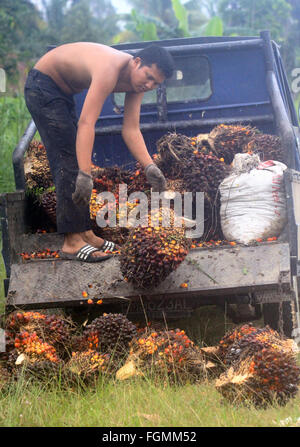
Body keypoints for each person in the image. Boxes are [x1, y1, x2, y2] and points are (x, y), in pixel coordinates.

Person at [24, 42, 174, 262]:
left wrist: (150, 166)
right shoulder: (109, 68)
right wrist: (85, 175)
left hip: (61, 93)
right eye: (148, 76)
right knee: (68, 159)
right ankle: (72, 243)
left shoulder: (137, 83)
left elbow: (130, 129)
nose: (149, 85)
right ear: (137, 62)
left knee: (75, 155)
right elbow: (87, 123)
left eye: (155, 83)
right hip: (43, 86)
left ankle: (85, 233)